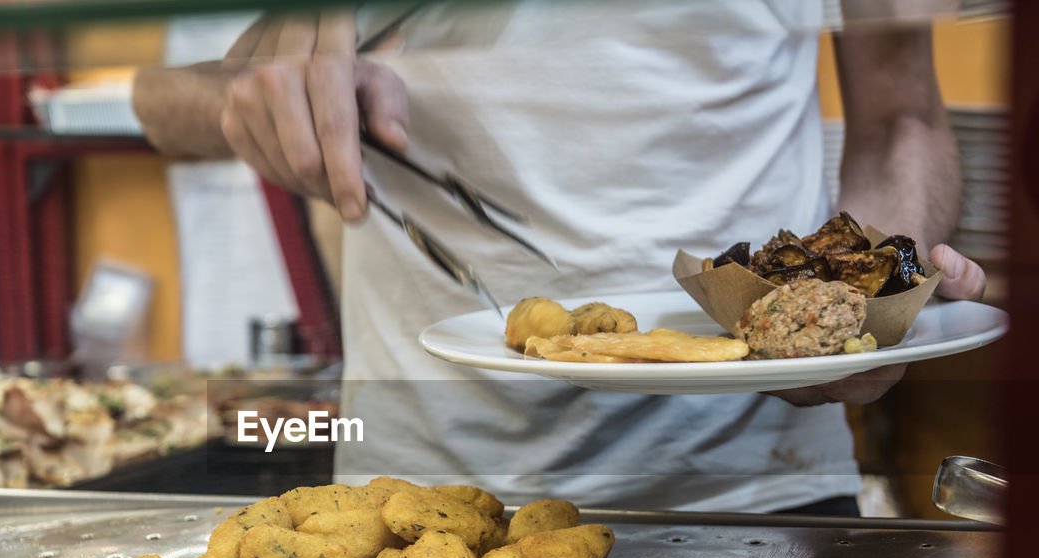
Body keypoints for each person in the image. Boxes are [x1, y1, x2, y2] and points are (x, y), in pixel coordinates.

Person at [132, 0, 988, 513]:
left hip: (755, 483)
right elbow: (162, 95)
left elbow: (901, 116)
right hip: (415, 490)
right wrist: (247, 97)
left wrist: (868, 309)